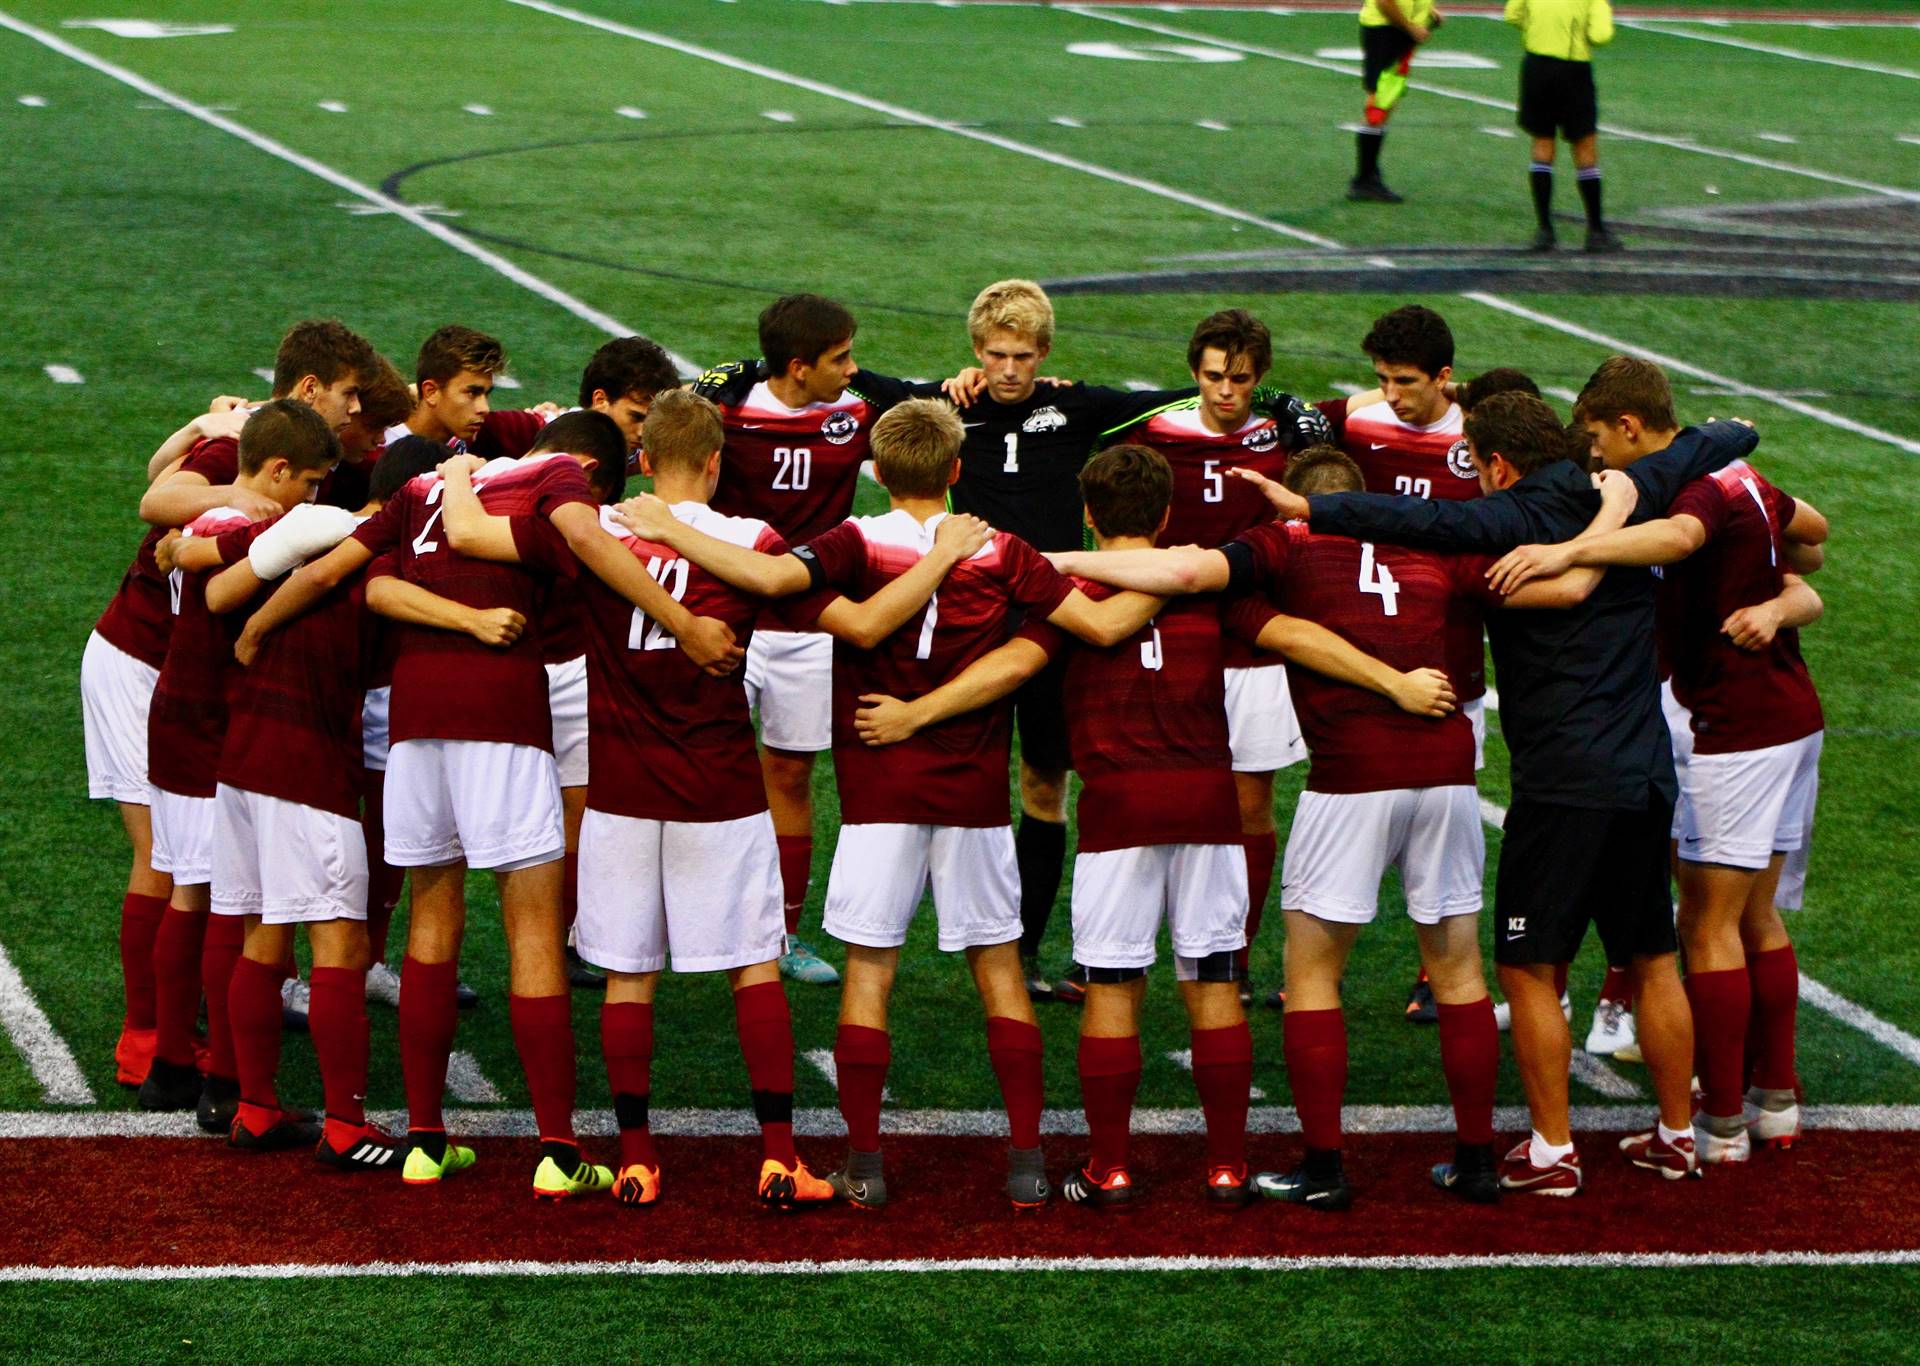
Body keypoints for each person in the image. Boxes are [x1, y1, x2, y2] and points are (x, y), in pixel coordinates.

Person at [860, 445, 1456, 1211]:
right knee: (1214, 985)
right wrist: (1391, 680)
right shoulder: (1206, 585)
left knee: (1113, 987)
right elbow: (1291, 637)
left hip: (1118, 811)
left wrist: (918, 711)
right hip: (1209, 806)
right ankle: (1228, 1165)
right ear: (1166, 514)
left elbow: (1009, 667)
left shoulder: (1062, 592)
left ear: (1087, 514)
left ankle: (1109, 1167)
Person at [622, 400, 1165, 1211]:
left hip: (878, 790)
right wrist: (1185, 570)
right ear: (956, 470)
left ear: (876, 470)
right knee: (1001, 972)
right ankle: (1025, 1165)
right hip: (975, 794)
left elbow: (770, 581)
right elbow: (1097, 623)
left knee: (870, 971)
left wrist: (667, 529)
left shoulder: (851, 543)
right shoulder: (1001, 548)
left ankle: (866, 1167)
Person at [1055, 444, 1614, 1208]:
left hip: (1345, 774)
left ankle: (1318, 1168)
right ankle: (1477, 1158)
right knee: (1457, 971)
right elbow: (1571, 586)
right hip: (1447, 771)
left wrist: (1035, 561)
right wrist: (1610, 513)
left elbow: (1278, 628)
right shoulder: (1434, 547)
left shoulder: (1284, 547)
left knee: (1305, 975)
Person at [1242, 389, 1758, 1191]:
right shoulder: (1628, 489)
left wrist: (1312, 507)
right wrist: (1630, 496)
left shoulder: (1507, 518)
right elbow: (1722, 437)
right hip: (1646, 772)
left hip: (1562, 781)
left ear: (1497, 463)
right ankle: (1677, 1133)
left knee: (1525, 966)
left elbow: (1420, 524)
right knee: (1655, 959)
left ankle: (1551, 1151)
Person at [238, 411, 739, 1200]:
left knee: (431, 921)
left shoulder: (420, 483)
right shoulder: (554, 479)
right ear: (581, 464)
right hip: (501, 715)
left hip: (414, 724)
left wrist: (255, 630)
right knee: (533, 929)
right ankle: (556, 1150)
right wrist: (682, 624)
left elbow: (339, 574)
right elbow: (587, 540)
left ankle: (427, 1142)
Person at [1492, 357, 1827, 1159]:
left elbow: (1680, 536)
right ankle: (1773, 1097)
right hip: (1791, 715)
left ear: (1633, 426)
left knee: (1703, 927)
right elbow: (1809, 540)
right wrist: (1778, 594)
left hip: (1729, 726)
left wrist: (1571, 552)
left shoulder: (1686, 493)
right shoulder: (1741, 472)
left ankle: (1717, 1124)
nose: (1599, 459)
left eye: (1602, 439)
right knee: (1754, 915)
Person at [87, 321, 373, 1088]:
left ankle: (176, 1050)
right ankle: (174, 1051)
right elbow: (167, 503)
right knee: (204, 881)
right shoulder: (251, 484)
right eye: (350, 393)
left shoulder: (241, 492)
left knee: (193, 879)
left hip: (177, 693)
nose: (357, 408)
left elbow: (190, 527)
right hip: (164, 677)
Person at [694, 295, 930, 986]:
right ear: (798, 367)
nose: (853, 369)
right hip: (726, 616)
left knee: (791, 776)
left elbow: (921, 408)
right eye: (839, 359)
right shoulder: (725, 407)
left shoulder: (857, 409)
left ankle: (782, 931)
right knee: (701, 765)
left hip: (808, 626)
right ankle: (689, 919)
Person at [1105, 309, 1330, 1002]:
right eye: (1211, 377)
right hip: (1165, 636)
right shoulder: (1153, 431)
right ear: (1192, 372)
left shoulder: (1283, 434)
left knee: (1248, 802)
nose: (1224, 391)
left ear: (1259, 379)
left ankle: (1235, 954)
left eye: (1239, 379)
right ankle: (1118, 953)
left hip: (1254, 641)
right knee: (1142, 789)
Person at [133, 402, 345, 1123]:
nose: (312, 498)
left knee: (195, 894)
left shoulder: (214, 517)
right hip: (207, 725)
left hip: (179, 717)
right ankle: (220, 1081)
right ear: (278, 469)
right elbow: (241, 563)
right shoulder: (248, 527)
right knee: (224, 901)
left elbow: (170, 508)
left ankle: (174, 1066)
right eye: (310, 482)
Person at [1506, 0, 1620, 252]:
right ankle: (1595, 231)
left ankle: (1545, 229)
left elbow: (1512, 15)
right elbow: (1600, 35)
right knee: (1584, 146)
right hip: (1572, 70)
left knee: (1542, 143)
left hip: (1535, 67)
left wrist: (1538, 30)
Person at [1351, 0, 1441, 203]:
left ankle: (1367, 175)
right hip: (1387, 29)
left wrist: (1428, 11)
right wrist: (1411, 27)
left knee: (1387, 100)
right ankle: (1365, 179)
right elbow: (1384, 2)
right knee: (1380, 103)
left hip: (1396, 28)